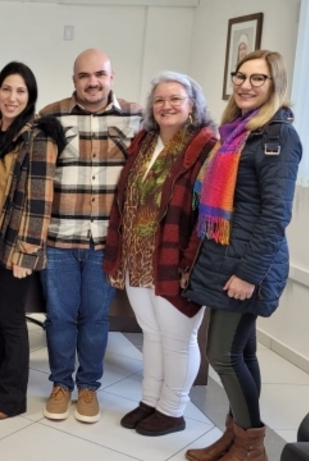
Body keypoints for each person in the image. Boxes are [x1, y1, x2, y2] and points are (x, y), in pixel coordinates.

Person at [183, 50, 302, 461]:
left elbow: (276, 214)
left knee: (222, 355)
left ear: (275, 86)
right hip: (225, 257)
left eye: (258, 79)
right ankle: (233, 437)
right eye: (241, 76)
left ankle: (250, 446)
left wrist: (249, 273)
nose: (246, 85)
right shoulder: (238, 132)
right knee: (242, 353)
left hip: (248, 264)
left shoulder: (279, 136)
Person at [101, 71, 218, 436]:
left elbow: (208, 212)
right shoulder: (144, 142)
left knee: (178, 338)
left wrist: (190, 261)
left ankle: (174, 408)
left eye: (175, 99)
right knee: (151, 333)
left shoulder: (205, 146)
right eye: (159, 100)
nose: (166, 106)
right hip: (138, 257)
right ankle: (150, 400)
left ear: (193, 105)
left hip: (175, 259)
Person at [37, 48, 143, 424]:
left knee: (96, 319)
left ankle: (89, 387)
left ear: (112, 77)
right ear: (74, 80)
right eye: (84, 76)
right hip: (60, 239)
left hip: (106, 243)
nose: (93, 82)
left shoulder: (136, 117)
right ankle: (60, 384)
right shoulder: (50, 115)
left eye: (100, 74)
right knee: (60, 317)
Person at [0, 62, 62, 421]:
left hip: (16, 245)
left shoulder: (38, 135)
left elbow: (39, 199)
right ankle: (0, 391)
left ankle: (12, 399)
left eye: (20, 91)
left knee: (12, 321)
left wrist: (26, 253)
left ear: (30, 96)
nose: (12, 97)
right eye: (6, 89)